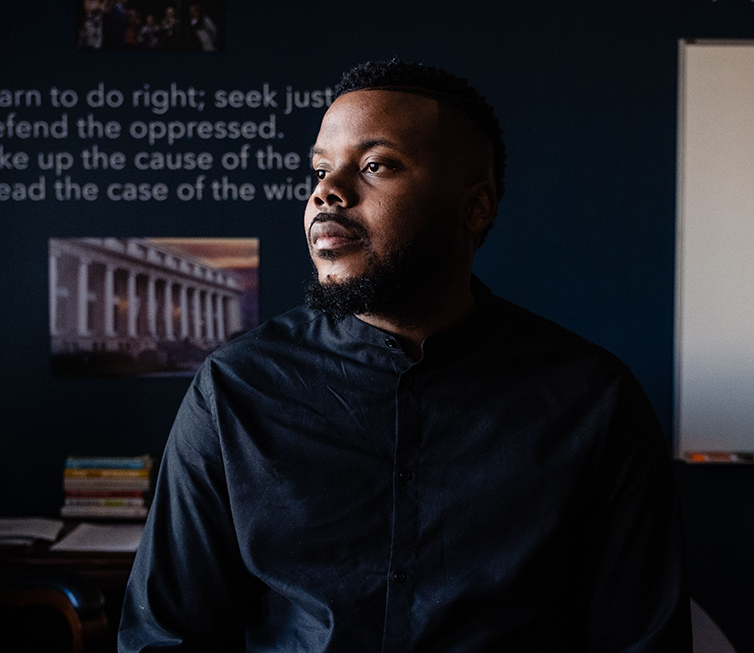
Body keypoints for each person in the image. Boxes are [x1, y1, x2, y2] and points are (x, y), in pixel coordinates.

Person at [119, 59, 690, 652]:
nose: (326, 193)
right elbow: (164, 636)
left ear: (475, 208)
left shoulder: (594, 402)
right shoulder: (236, 387)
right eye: (321, 169)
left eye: (375, 166)